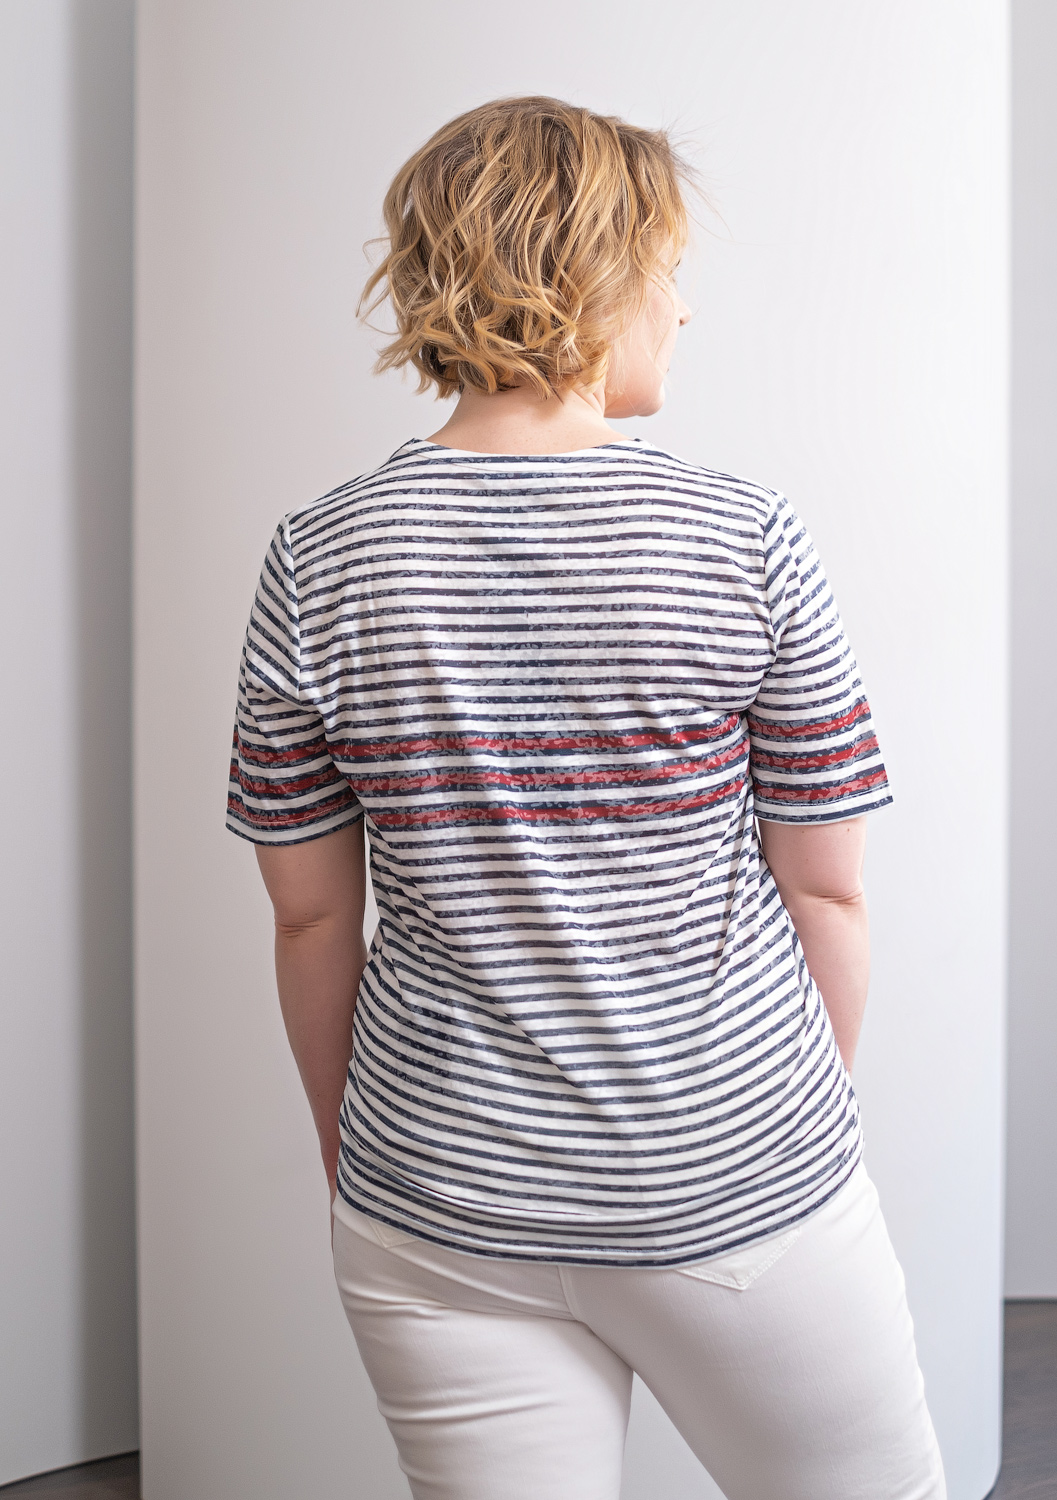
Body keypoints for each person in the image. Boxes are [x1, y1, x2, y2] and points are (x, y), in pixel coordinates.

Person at [227, 96, 946, 1500]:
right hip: (732, 1178)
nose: (682, 309)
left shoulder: (319, 555)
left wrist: (356, 1152)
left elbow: (310, 921)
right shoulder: (741, 536)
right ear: (592, 275)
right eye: (665, 269)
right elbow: (828, 884)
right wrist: (778, 1136)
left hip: (436, 1200)